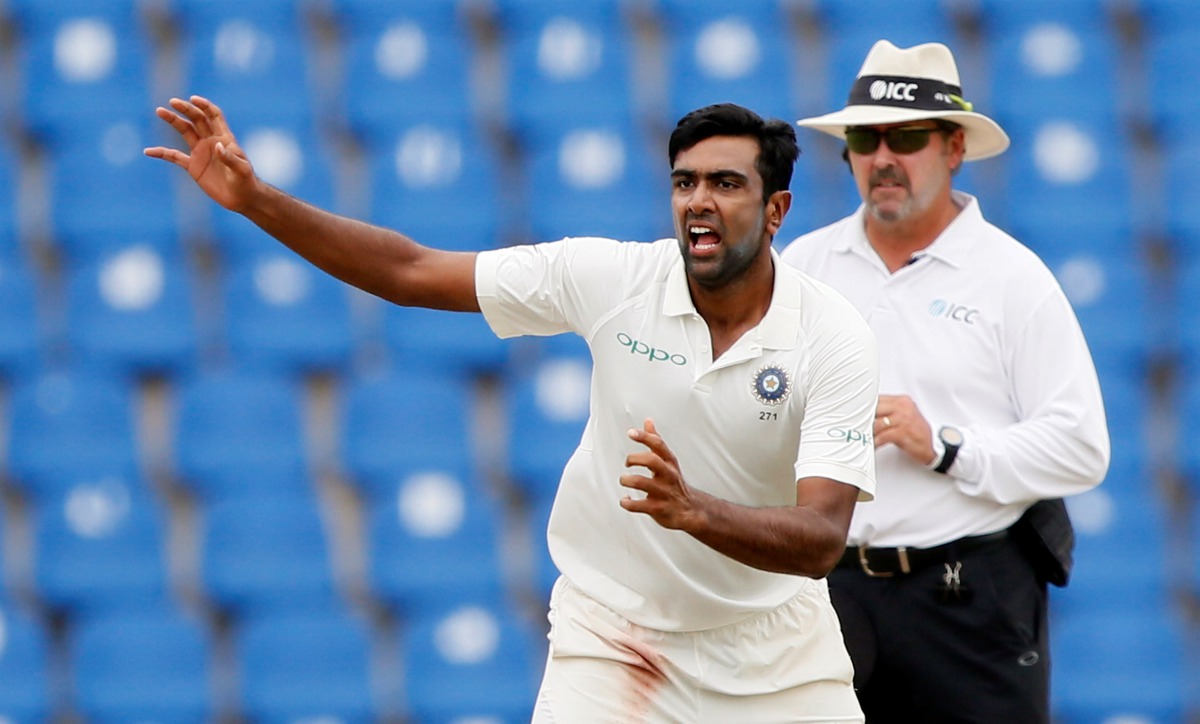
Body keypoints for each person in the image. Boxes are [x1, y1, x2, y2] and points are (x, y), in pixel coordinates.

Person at [147, 98, 881, 721]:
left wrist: (695, 511)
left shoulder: (832, 334)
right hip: (615, 634)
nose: (698, 201)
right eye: (684, 182)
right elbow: (410, 271)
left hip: (774, 651)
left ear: (777, 208)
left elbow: (821, 539)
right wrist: (257, 201)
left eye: (725, 183)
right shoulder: (614, 278)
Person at [780, 40, 1111, 722]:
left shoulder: (1013, 279)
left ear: (953, 148)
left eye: (905, 136)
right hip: (829, 594)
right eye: (865, 139)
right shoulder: (804, 267)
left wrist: (947, 447)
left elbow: (1081, 447)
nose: (883, 158)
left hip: (968, 597)